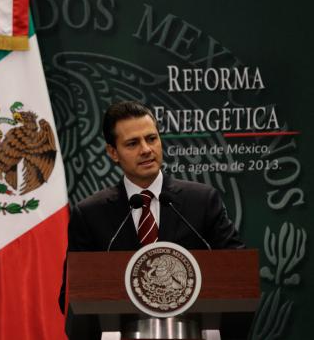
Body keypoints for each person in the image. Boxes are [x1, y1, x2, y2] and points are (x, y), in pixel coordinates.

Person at [61, 100, 244, 339]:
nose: (146, 149)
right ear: (112, 152)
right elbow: (70, 294)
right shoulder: (90, 214)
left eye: (152, 138)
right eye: (133, 143)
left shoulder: (201, 201)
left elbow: (237, 272)